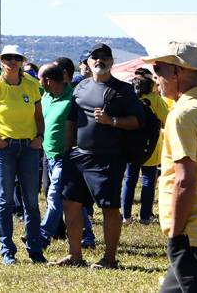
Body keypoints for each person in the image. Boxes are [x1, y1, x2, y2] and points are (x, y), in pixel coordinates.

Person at [55, 43, 144, 269]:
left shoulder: (123, 90)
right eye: (95, 57)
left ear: (112, 62)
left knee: (109, 208)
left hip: (108, 158)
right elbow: (72, 120)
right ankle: (75, 255)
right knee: (70, 203)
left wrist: (112, 121)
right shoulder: (80, 87)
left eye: (105, 57)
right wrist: (67, 150)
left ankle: (110, 258)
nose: (100, 61)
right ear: (87, 62)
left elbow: (138, 121)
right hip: (78, 157)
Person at [146, 41, 197, 291]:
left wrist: (176, 234)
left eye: (158, 70)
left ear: (177, 72)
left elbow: (185, 180)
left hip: (192, 235)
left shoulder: (182, 114)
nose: (155, 78)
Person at [0, 44, 45, 265]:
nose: (12, 61)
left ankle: (35, 250)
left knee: (31, 201)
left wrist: (40, 137)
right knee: (5, 200)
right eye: (7, 58)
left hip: (29, 148)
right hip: (4, 148)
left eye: (16, 58)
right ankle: (7, 250)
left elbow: (39, 117)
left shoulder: (32, 86)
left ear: (22, 61)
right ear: (1, 61)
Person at [38, 62, 94, 250]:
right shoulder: (46, 97)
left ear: (47, 80)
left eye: (40, 79)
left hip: (67, 156)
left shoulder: (74, 97)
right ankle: (88, 235)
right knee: (72, 200)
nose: (39, 83)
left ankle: (42, 236)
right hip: (49, 156)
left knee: (55, 196)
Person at [121, 69, 170, 224]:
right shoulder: (155, 100)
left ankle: (126, 216)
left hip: (131, 145)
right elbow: (166, 118)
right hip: (151, 145)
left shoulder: (129, 99)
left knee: (129, 180)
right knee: (148, 180)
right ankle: (145, 217)